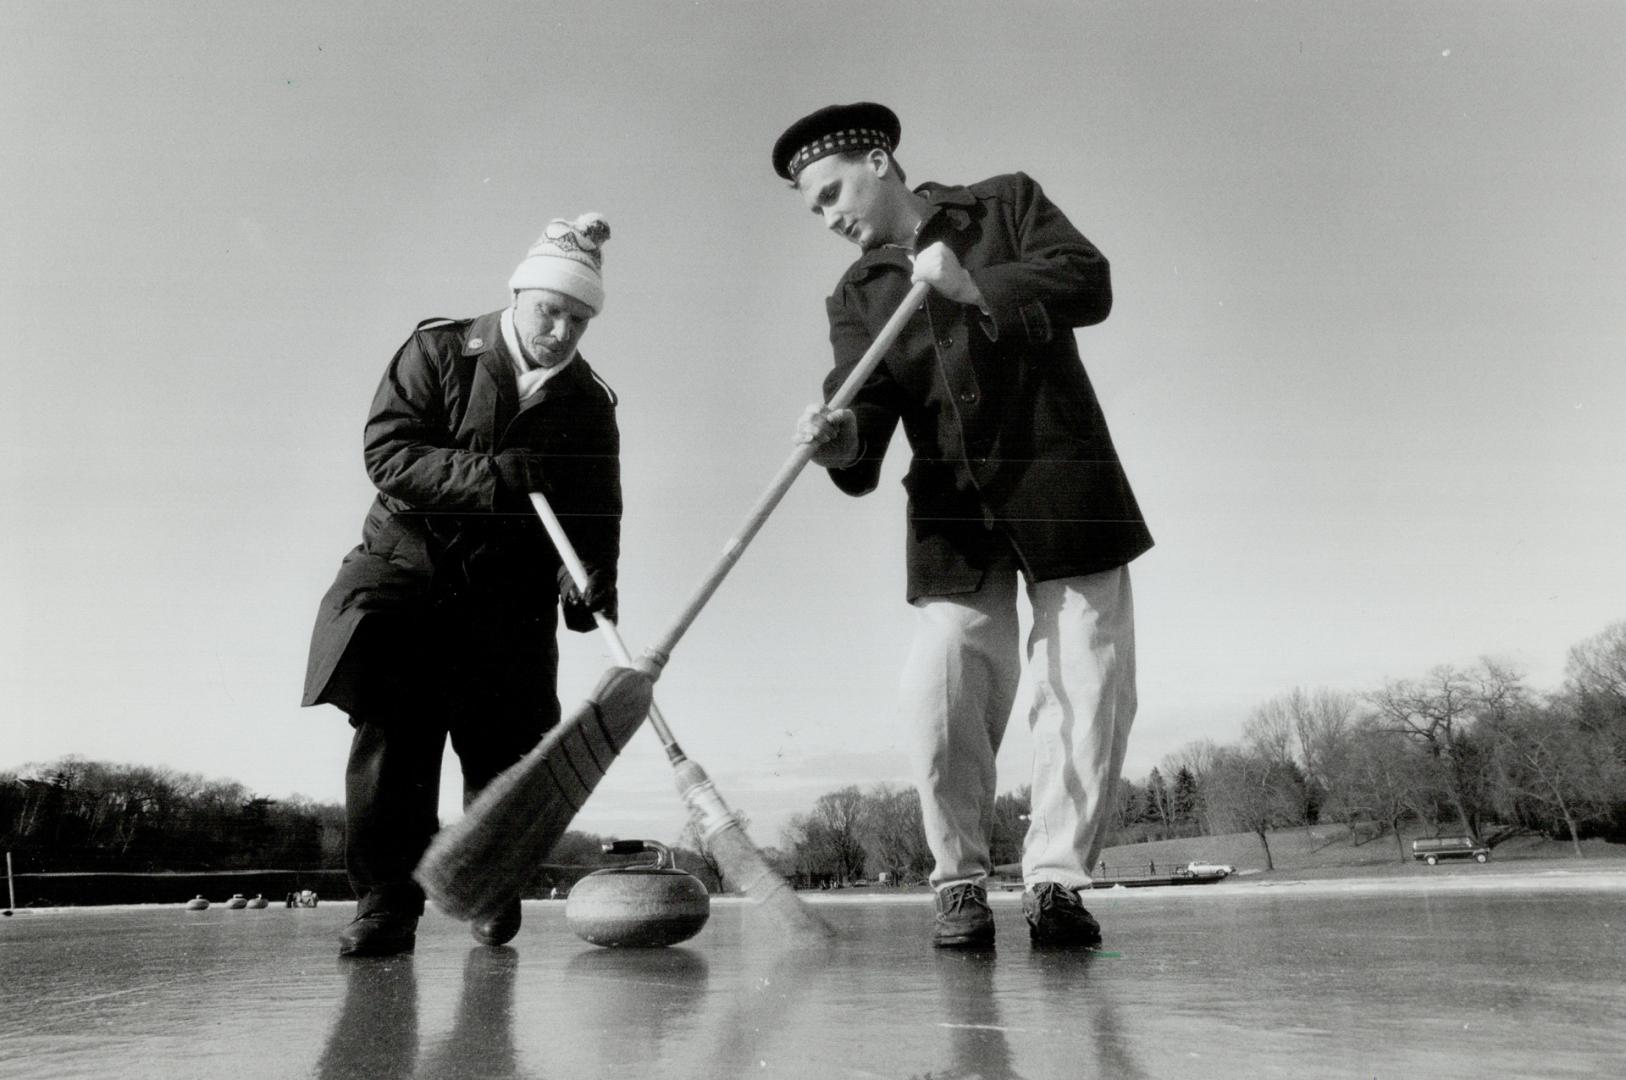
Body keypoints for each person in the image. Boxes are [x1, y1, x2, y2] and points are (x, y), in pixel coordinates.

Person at [773, 103, 1153, 949]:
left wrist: (979, 284)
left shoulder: (1004, 205)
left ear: (878, 160)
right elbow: (863, 418)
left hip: (1065, 486)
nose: (828, 216)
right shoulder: (855, 294)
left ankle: (1056, 883)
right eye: (813, 210)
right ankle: (960, 884)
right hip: (953, 513)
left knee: (1085, 687)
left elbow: (1088, 280)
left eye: (831, 193)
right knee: (941, 686)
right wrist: (839, 438)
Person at [303, 214, 624, 957]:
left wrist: (591, 580)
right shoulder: (439, 350)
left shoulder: (588, 402)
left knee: (506, 756)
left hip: (509, 600)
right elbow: (388, 453)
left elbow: (597, 512)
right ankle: (386, 906)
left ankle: (489, 887)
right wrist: (490, 478)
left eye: (580, 319)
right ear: (519, 295)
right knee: (396, 749)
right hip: (409, 577)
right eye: (552, 311)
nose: (563, 331)